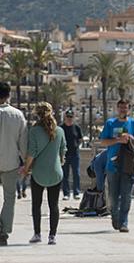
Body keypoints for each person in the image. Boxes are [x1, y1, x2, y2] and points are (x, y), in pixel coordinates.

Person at [23, 102, 66, 245]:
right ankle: (52, 236)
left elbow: (31, 153)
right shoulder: (59, 131)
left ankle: (37, 234)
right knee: (54, 205)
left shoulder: (34, 131)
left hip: (38, 173)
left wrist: (26, 168)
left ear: (37, 114)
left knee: (37, 204)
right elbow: (63, 151)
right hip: (55, 172)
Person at [99, 99, 134, 233]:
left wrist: (131, 138)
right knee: (113, 196)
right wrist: (118, 140)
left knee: (126, 195)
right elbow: (103, 141)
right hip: (113, 165)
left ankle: (124, 222)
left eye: (125, 108)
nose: (123, 110)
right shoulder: (110, 123)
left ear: (129, 109)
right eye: (121, 108)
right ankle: (115, 216)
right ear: (117, 109)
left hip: (129, 165)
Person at [0, 82, 27, 246]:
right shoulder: (17, 115)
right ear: (9, 95)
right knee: (9, 198)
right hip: (11, 163)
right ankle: (3, 232)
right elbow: (23, 142)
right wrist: (26, 163)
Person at [60, 109, 83, 200]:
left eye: (71, 117)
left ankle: (76, 192)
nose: (69, 119)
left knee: (76, 174)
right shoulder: (61, 128)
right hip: (64, 155)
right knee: (65, 174)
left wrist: (77, 146)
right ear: (65, 117)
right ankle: (66, 193)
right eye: (68, 117)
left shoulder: (77, 128)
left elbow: (80, 139)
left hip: (75, 154)